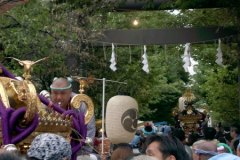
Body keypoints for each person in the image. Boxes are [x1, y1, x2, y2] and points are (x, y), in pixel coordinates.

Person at [49, 77, 96, 155]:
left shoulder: (81, 104)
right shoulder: (46, 104)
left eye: (63, 93)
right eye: (55, 93)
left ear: (70, 92)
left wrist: (83, 154)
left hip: (77, 151)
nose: (59, 97)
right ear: (51, 92)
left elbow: (89, 130)